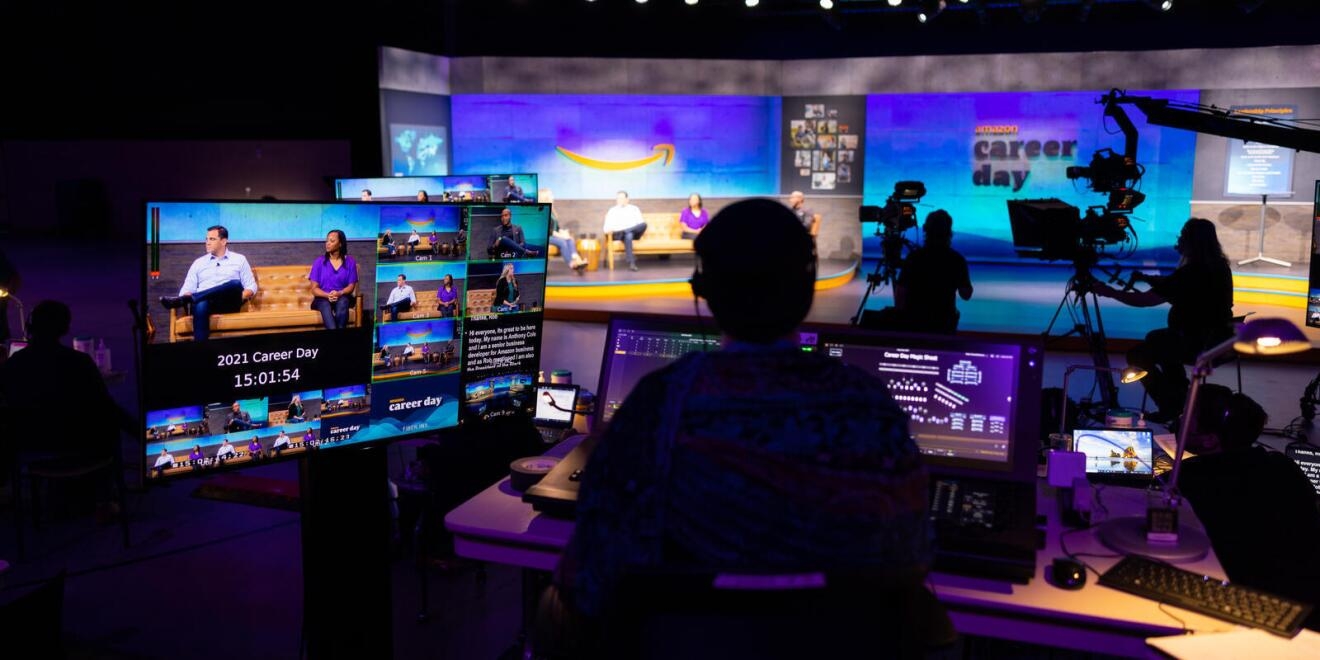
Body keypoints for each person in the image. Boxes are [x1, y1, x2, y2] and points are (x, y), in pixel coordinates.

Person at [539, 199, 938, 652]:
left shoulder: (659, 404)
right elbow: (913, 561)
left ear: (703, 290)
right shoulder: (869, 406)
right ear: (806, 287)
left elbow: (589, 576)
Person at [1178, 384, 1320, 629]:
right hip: (1306, 605)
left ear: (1210, 440)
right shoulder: (1282, 465)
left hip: (1249, 610)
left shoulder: (1191, 479)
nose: (1178, 421)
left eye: (1186, 418)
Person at [1091, 218, 1234, 423]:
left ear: (1191, 241)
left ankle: (1170, 405)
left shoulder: (1190, 272)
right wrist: (1149, 279)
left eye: (1183, 235)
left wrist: (1109, 292)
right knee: (1158, 339)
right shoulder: (1219, 266)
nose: (1179, 239)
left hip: (1196, 342)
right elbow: (1176, 286)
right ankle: (1179, 399)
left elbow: (1144, 301)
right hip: (1219, 339)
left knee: (1138, 354)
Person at [0, 300, 131, 460]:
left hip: (29, 444)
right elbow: (106, 406)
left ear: (30, 326)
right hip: (76, 445)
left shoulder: (13, 363)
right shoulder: (80, 361)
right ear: (65, 329)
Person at [159, 225, 259, 341]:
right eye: (206, 239)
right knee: (201, 303)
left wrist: (238, 296)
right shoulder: (199, 263)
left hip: (228, 303)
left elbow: (251, 286)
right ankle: (202, 352)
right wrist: (187, 295)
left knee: (235, 284)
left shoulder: (239, 259)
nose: (207, 242)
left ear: (224, 241)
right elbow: (187, 288)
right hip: (205, 305)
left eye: (212, 239)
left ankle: (195, 298)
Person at [892, 210, 973, 334]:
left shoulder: (914, 257)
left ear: (926, 230)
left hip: (913, 322)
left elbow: (900, 292)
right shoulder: (957, 260)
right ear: (949, 232)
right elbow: (966, 295)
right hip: (944, 323)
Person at [309, 229, 358, 330]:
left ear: (340, 244)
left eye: (332, 241)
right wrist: (328, 295)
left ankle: (335, 341)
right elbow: (314, 289)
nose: (328, 244)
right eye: (327, 241)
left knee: (343, 302)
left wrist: (339, 293)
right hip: (322, 298)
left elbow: (351, 286)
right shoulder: (319, 262)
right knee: (325, 304)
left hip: (342, 296)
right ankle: (337, 340)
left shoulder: (350, 262)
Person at [542, 189, 588, 273]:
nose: (553, 197)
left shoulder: (552, 210)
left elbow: (556, 228)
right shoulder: (542, 210)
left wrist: (563, 232)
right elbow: (547, 230)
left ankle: (577, 259)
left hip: (553, 236)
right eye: (551, 195)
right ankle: (572, 264)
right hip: (544, 236)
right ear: (545, 198)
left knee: (569, 239)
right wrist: (561, 235)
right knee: (562, 242)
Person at [602, 191, 647, 272]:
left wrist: (629, 229)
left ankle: (626, 231)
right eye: (618, 198)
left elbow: (641, 224)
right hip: (618, 234)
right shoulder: (612, 211)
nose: (620, 200)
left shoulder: (634, 209)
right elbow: (605, 228)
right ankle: (632, 263)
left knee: (644, 225)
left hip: (634, 233)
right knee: (628, 235)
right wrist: (609, 229)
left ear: (627, 199)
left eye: (622, 198)